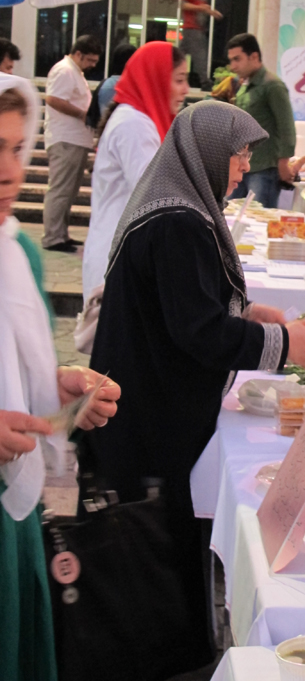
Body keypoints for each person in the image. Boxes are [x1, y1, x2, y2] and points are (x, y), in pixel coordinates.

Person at [78, 100, 305, 673]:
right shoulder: (178, 221)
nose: (245, 165)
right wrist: (284, 345)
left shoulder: (176, 208)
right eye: (239, 153)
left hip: (142, 401)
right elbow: (197, 331)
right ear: (206, 152)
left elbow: (182, 303)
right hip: (146, 414)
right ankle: (152, 656)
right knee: (146, 546)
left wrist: (246, 314)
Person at [0, 72, 120, 681]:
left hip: (12, 515)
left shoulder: (15, 250)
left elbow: (20, 373)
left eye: (17, 148)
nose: (8, 172)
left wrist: (61, 388)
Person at [82, 42, 189, 302]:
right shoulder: (134, 124)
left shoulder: (138, 119)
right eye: (179, 80)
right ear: (155, 78)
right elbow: (157, 195)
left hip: (126, 253)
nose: (186, 89)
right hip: (119, 258)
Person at [42, 34, 102, 253]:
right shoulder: (64, 70)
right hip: (65, 138)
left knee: (69, 190)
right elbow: (53, 99)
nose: (92, 65)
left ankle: (61, 233)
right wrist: (81, 114)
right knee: (61, 189)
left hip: (75, 139)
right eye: (90, 60)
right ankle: (53, 237)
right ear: (78, 54)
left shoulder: (75, 72)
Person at [227, 33, 296, 207]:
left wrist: (283, 163)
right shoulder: (245, 86)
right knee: (229, 215)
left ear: (254, 57)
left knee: (258, 218)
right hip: (241, 166)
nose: (233, 66)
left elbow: (286, 126)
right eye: (231, 60)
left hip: (264, 169)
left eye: (237, 59)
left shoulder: (272, 85)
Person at [180, 0, 222, 89]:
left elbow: (200, 7)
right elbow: (183, 4)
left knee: (179, 56)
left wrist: (210, 12)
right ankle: (205, 82)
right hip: (192, 27)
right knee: (200, 55)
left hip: (195, 28)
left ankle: (163, 76)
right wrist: (202, 9)